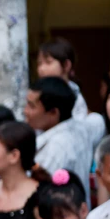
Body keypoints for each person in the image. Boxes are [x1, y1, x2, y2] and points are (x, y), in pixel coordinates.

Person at [25, 77, 96, 205]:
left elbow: (38, 192)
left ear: (53, 112)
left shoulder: (56, 147)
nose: (26, 111)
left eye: (32, 106)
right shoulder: (80, 128)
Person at [37, 38, 88, 120]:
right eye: (39, 63)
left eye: (48, 62)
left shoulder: (75, 98)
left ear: (66, 65)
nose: (41, 69)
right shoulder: (37, 93)